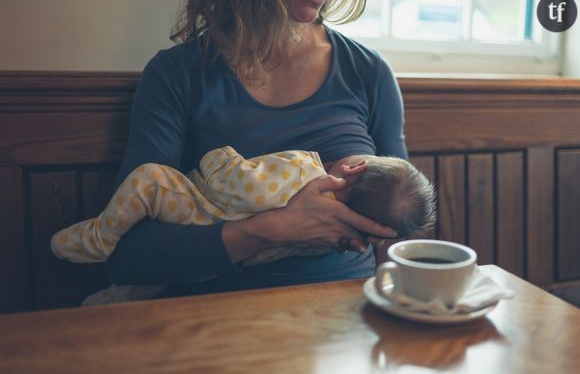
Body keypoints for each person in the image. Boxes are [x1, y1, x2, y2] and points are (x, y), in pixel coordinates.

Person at [102, 0, 409, 298]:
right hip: (216, 317)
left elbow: (401, 220)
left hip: (347, 312)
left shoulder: (368, 71)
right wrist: (272, 230)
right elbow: (129, 255)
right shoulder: (177, 74)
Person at [51, 146, 435, 265]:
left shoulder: (305, 168)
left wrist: (219, 155)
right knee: (147, 285)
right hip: (229, 266)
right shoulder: (328, 238)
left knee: (149, 179)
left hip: (194, 209)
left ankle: (98, 237)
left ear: (353, 168)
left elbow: (234, 184)